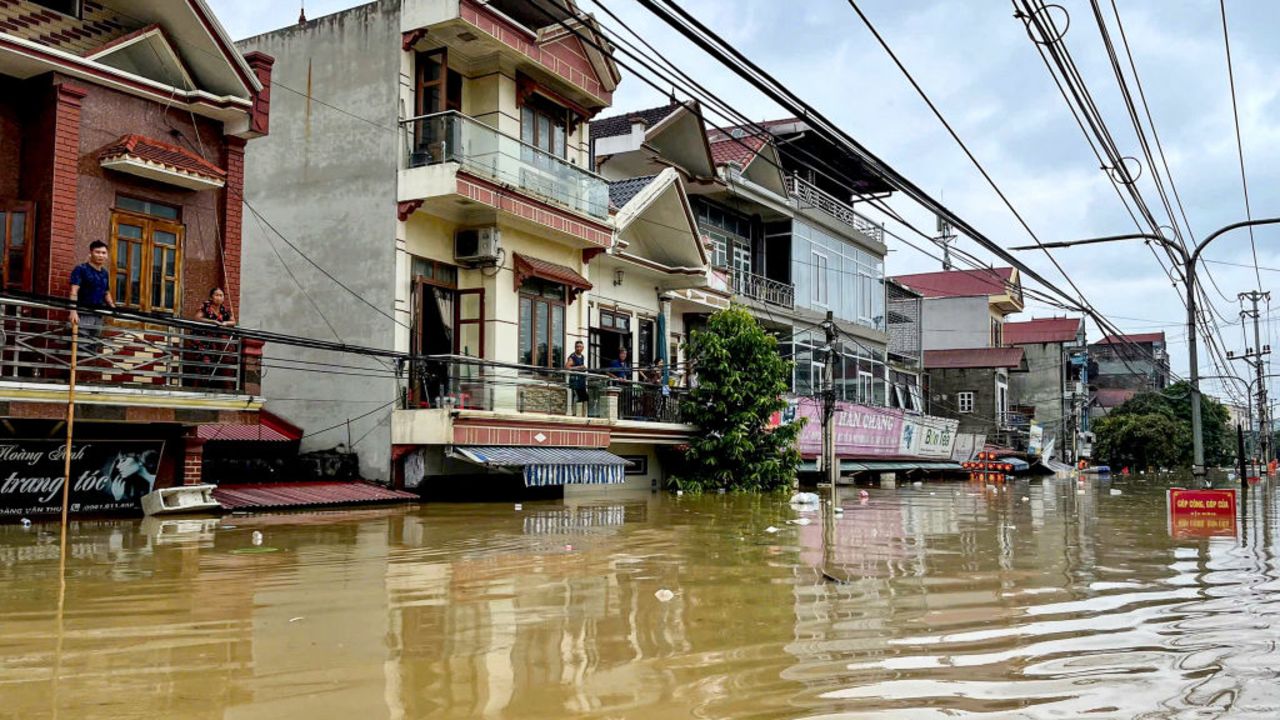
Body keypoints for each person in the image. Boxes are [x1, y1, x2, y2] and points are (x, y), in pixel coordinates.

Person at [69, 240, 115, 342]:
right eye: (97, 252)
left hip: (98, 315)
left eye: (103, 253)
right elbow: (73, 291)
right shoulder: (81, 269)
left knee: (94, 345)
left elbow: (106, 292)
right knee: (81, 344)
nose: (100, 255)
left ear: (107, 256)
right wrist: (73, 312)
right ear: (90, 253)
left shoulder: (104, 273)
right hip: (83, 314)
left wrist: (113, 308)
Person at [193, 287, 236, 387]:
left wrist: (225, 323)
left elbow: (233, 322)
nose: (219, 298)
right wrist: (213, 322)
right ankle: (198, 386)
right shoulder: (206, 306)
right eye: (216, 295)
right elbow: (197, 318)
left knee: (217, 364)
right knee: (204, 363)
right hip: (203, 341)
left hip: (215, 342)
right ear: (211, 297)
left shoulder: (223, 310)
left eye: (221, 295)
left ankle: (209, 385)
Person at [565, 340, 589, 413]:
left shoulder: (582, 357)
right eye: (577, 347)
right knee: (576, 397)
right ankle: (574, 413)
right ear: (575, 347)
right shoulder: (572, 356)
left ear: (583, 348)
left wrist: (583, 368)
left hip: (581, 381)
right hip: (575, 381)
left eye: (580, 347)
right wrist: (578, 367)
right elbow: (567, 367)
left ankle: (582, 413)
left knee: (584, 398)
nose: (578, 348)